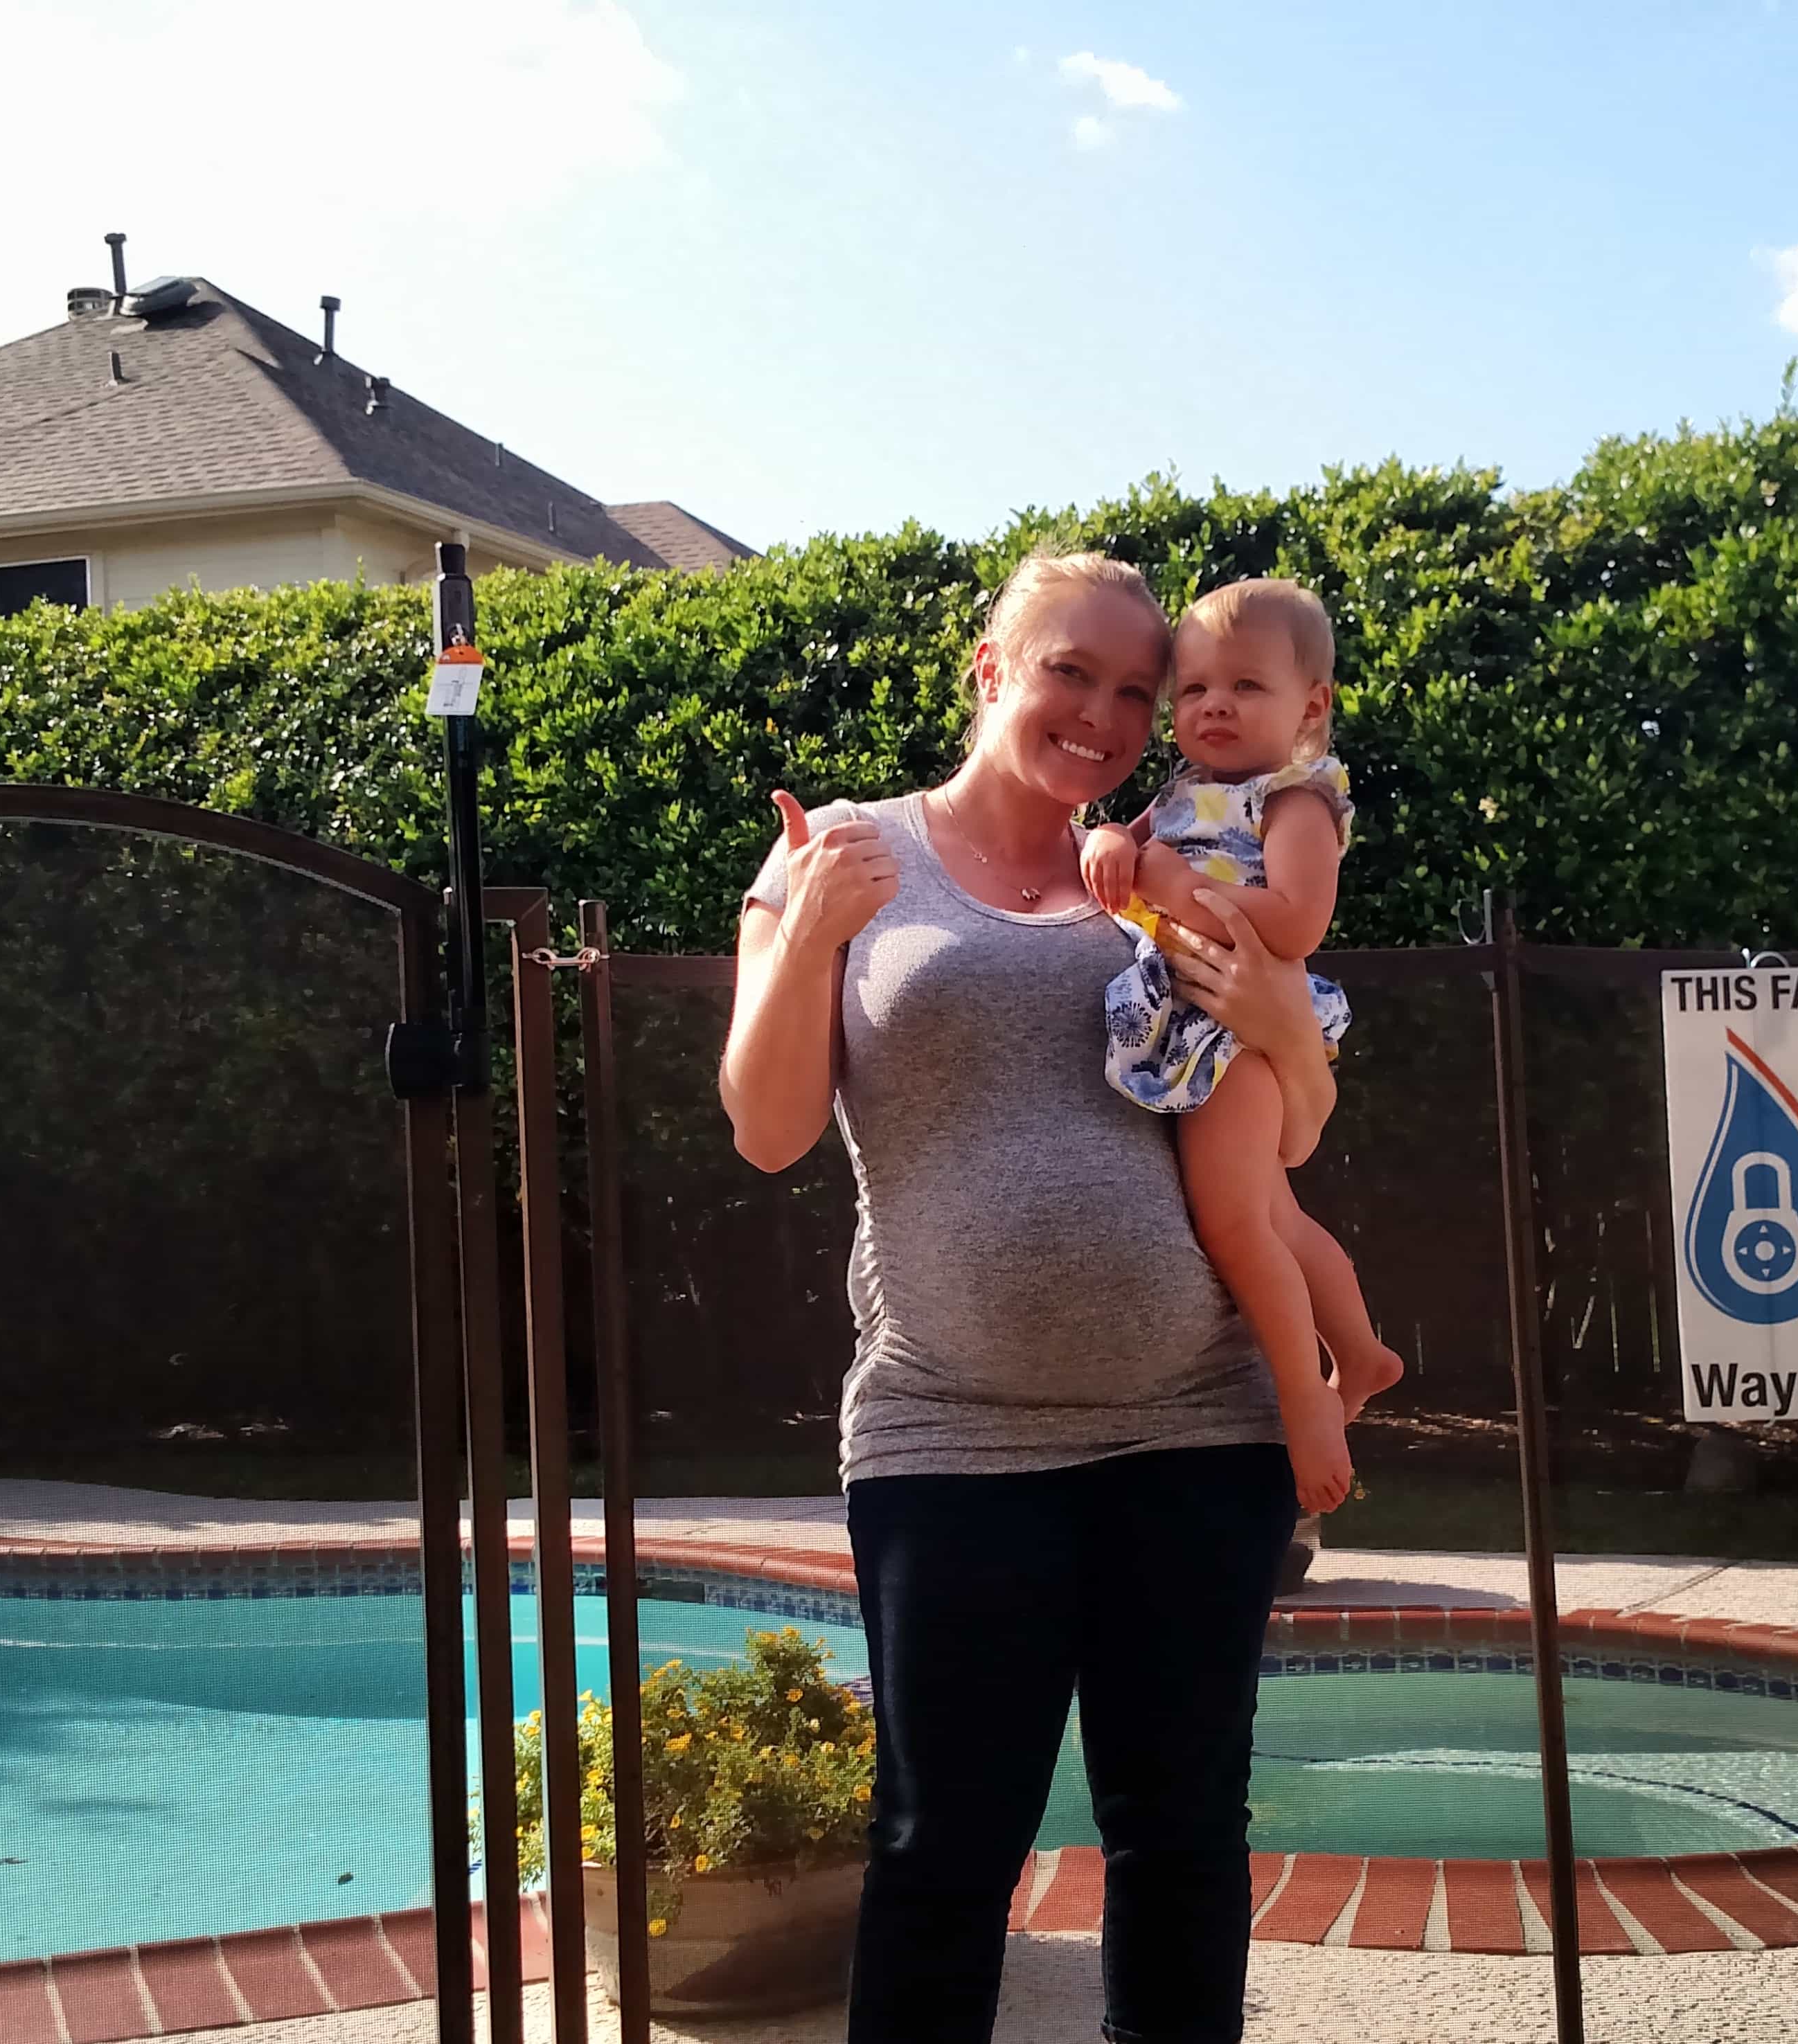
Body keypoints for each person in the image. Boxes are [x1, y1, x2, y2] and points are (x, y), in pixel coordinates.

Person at [721, 550, 1349, 2044]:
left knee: (1182, 1837)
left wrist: (1285, 1029)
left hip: (1200, 1424)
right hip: (951, 1436)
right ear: (991, 666)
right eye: (1073, 669)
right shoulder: (848, 853)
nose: (1109, 711)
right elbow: (766, 1124)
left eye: (1139, 689)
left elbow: (1285, 1126)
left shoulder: (1161, 854)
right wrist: (810, 928)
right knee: (943, 1852)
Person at [1080, 577, 1405, 1520]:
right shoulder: (1185, 791)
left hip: (1243, 1035)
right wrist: (1109, 837)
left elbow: (1297, 923)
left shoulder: (1296, 800)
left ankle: (1306, 1397)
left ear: (1311, 707)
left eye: (1246, 687)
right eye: (1195, 689)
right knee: (1276, 1216)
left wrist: (1175, 891)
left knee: (1230, 1222)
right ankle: (1363, 1354)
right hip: (1201, 1024)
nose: (1213, 704)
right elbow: (1128, 844)